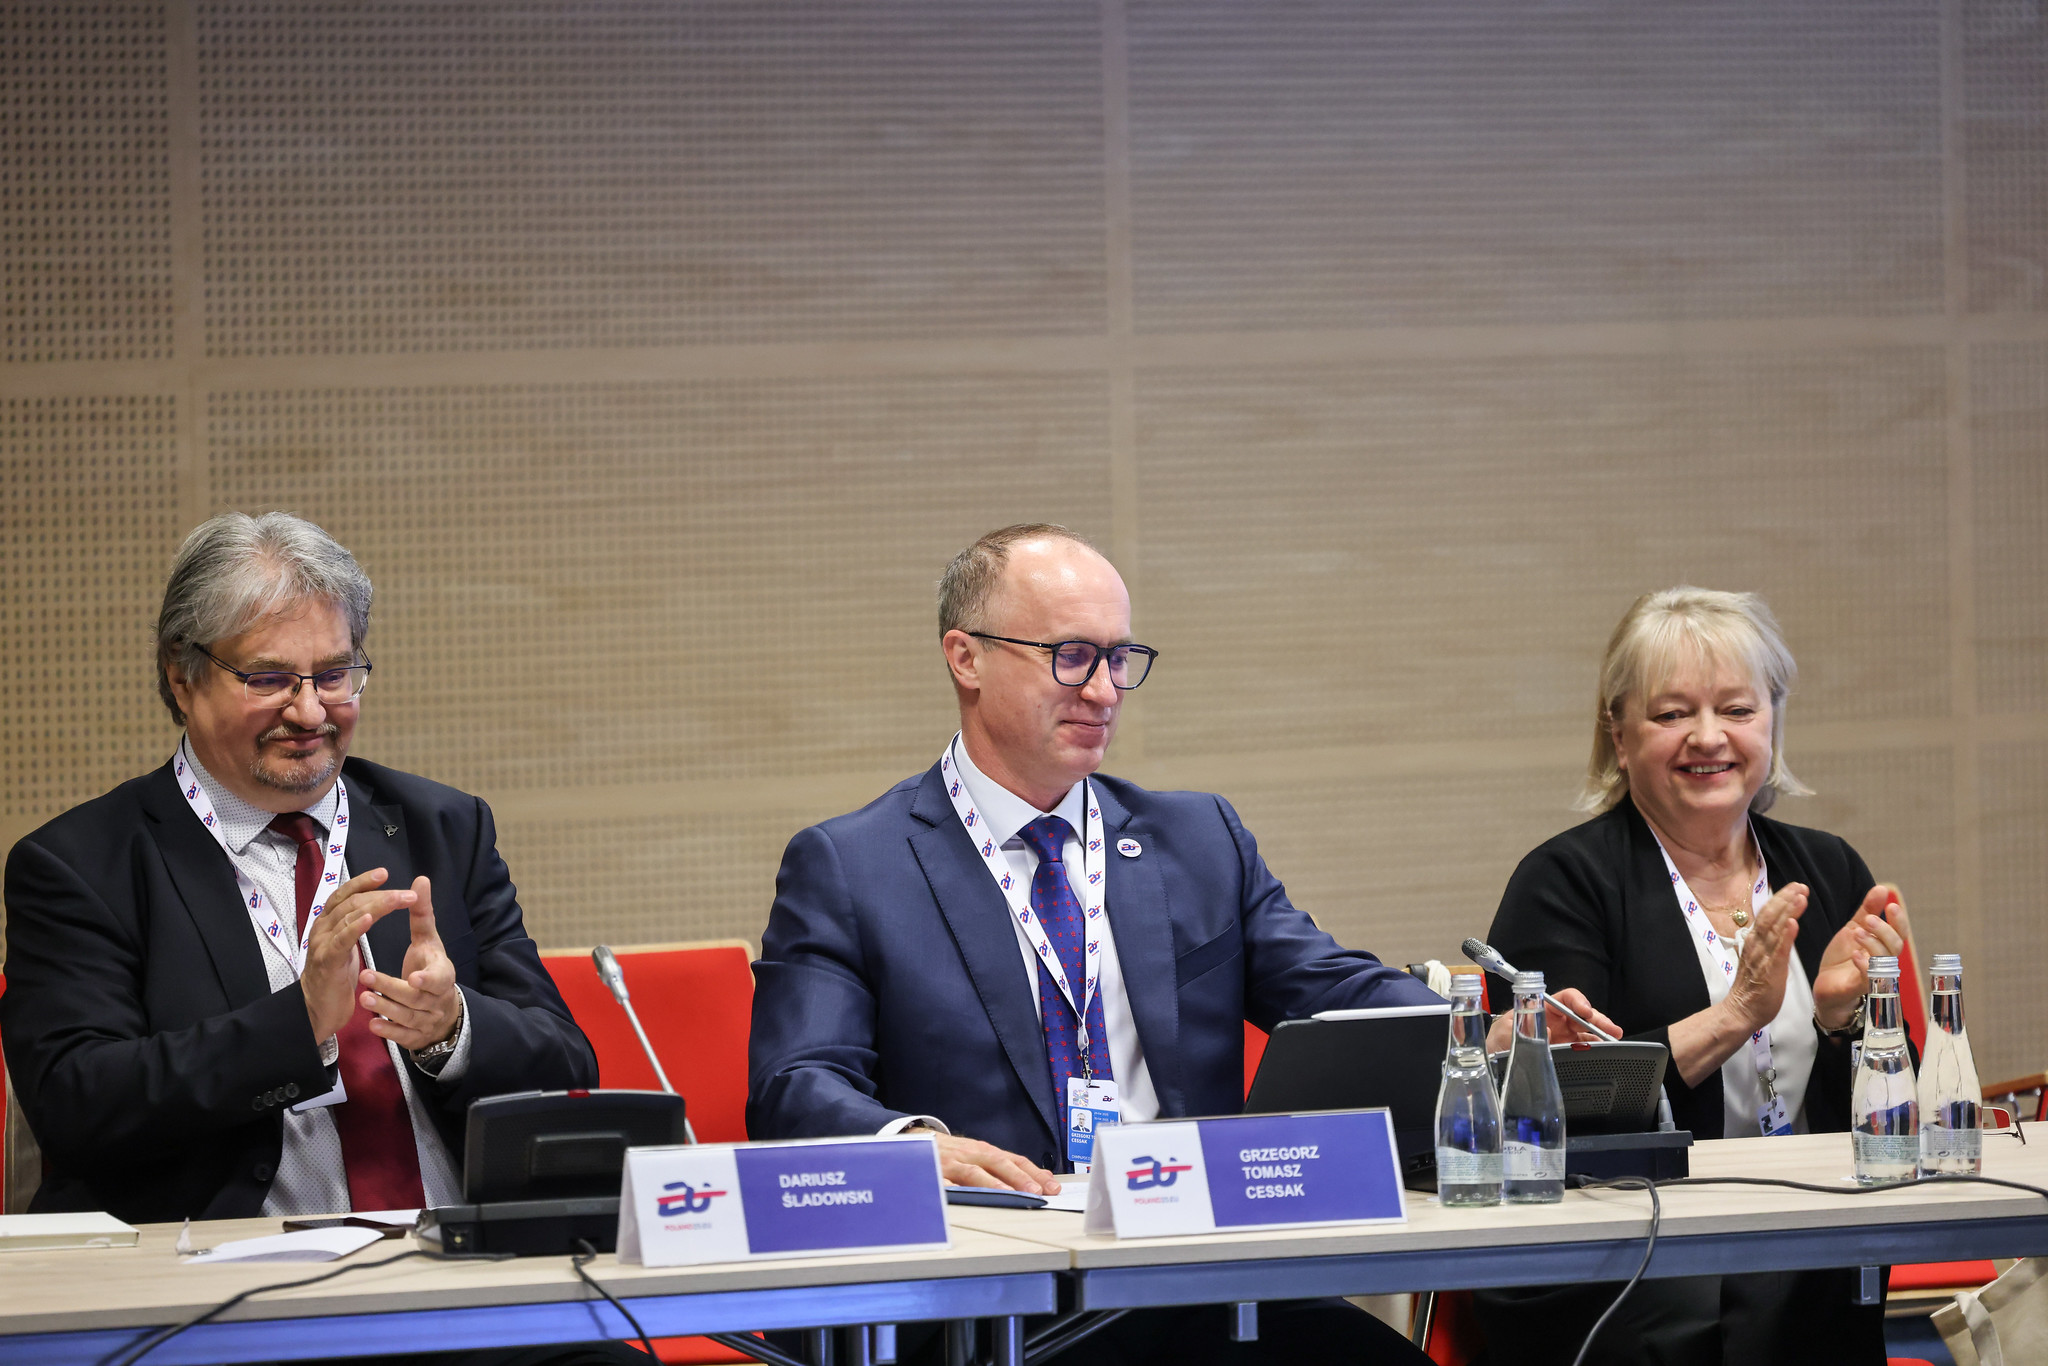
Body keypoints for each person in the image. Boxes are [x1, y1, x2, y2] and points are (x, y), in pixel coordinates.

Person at [748, 523, 1610, 1366]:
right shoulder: (854, 866)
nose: (1104, 691)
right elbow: (796, 1085)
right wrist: (911, 1146)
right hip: (992, 1296)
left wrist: (1478, 1032)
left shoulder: (1197, 840)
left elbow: (1330, 987)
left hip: (1199, 1274)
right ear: (965, 657)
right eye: (1071, 656)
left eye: (1119, 658)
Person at [2, 511, 600, 1225]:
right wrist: (302, 1023)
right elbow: (76, 1105)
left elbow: (569, 1065)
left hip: (454, 1260)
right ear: (182, 677)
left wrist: (452, 1027)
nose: (311, 712)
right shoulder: (81, 865)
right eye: (270, 679)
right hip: (226, 1273)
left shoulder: (443, 827)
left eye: (334, 675)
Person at [1477, 586, 1912, 1366]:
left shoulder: (1828, 867)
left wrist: (1842, 1022)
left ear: (1772, 721)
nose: (1708, 737)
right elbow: (1558, 1115)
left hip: (1808, 1248)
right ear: (1618, 735)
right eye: (1672, 713)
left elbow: (1890, 1123)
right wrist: (1736, 1013)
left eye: (1737, 709)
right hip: (1627, 1266)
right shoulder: (1564, 883)